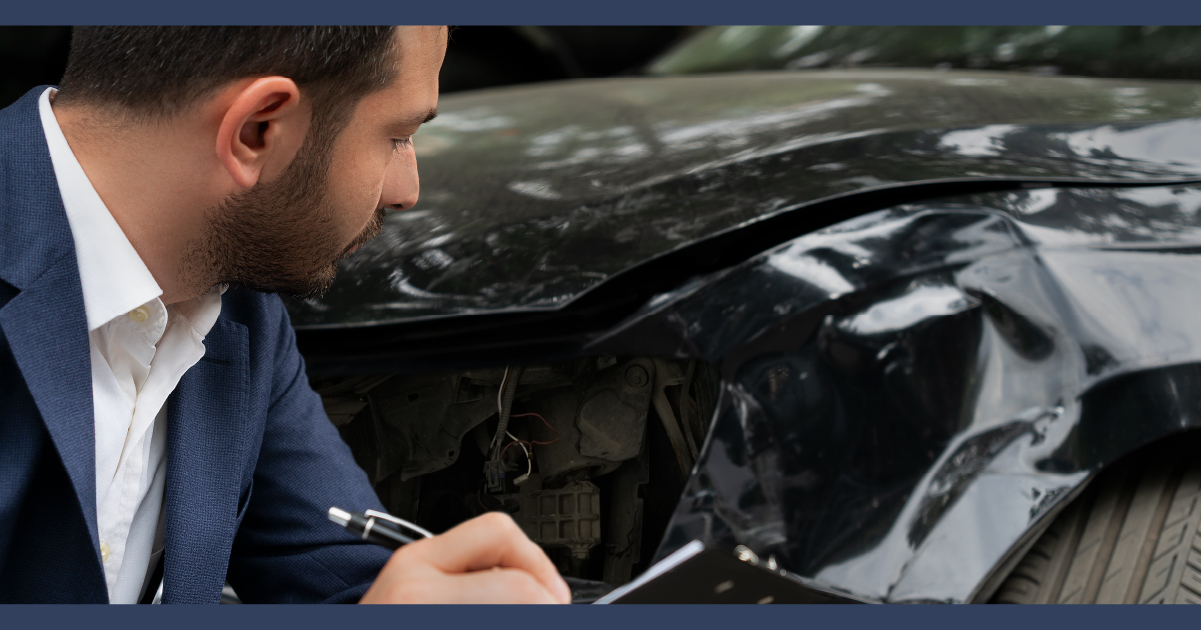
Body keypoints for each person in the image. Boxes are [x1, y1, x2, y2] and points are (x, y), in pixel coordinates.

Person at [0, 25, 572, 605]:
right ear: (258, 130)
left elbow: (339, 573)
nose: (407, 191)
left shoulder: (237, 304)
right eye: (397, 135)